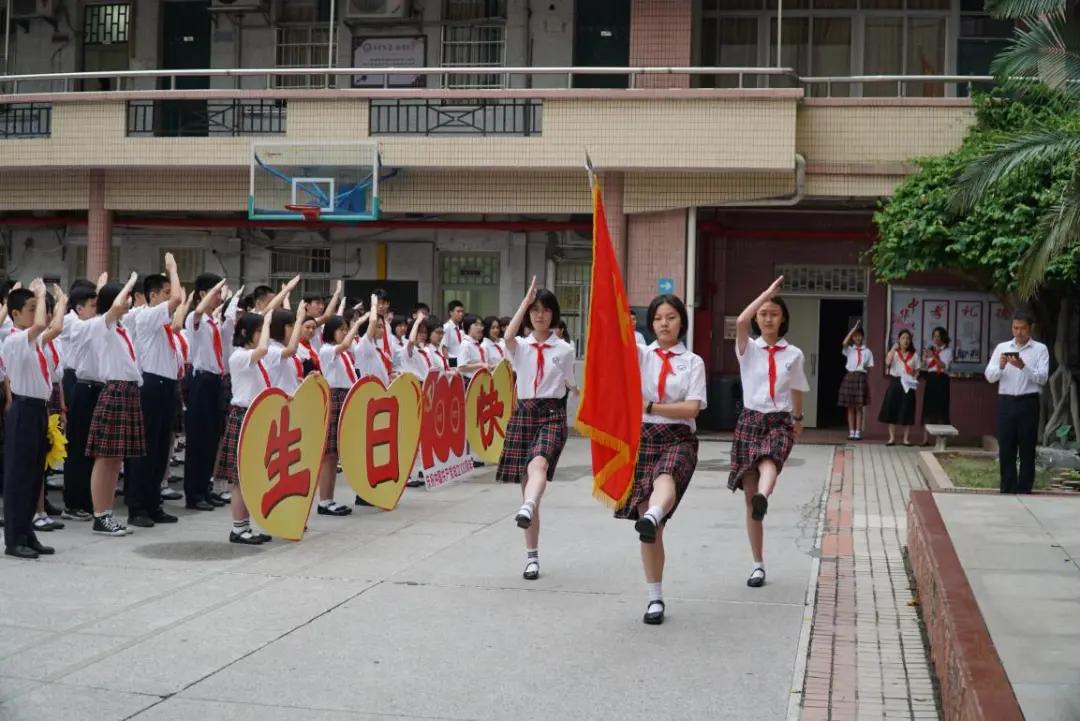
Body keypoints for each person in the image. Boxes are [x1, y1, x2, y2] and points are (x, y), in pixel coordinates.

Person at [616, 294, 705, 625]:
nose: (664, 324)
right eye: (658, 318)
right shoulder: (641, 355)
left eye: (670, 317)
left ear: (682, 321)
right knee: (651, 531)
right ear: (650, 323)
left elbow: (691, 408)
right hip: (644, 437)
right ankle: (655, 598)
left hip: (679, 437)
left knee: (664, 478)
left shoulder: (693, 362)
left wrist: (651, 406)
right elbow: (614, 348)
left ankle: (653, 512)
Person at [729, 277, 808, 588]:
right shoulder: (747, 349)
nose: (767, 318)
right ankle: (757, 564)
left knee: (770, 460)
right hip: (750, 419)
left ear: (783, 318)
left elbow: (798, 388)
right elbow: (739, 320)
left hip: (778, 420)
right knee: (750, 501)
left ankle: (764, 494)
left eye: (774, 313)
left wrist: (798, 418)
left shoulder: (794, 354)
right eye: (763, 313)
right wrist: (764, 294)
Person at [497, 277, 575, 580]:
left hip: (552, 414)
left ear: (553, 314)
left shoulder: (565, 348)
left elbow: (567, 380)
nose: (539, 315)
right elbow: (507, 336)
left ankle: (529, 503)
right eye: (534, 311)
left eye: (544, 310)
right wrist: (524, 301)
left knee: (539, 463)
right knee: (528, 480)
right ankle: (532, 557)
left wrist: (575, 387)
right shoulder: (520, 347)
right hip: (525, 413)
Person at [3, 281, 66, 559]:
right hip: (24, 409)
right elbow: (41, 326)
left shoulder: (33, 341)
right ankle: (14, 539)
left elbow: (55, 328)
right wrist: (40, 295)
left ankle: (28, 532)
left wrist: (61, 300)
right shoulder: (15, 339)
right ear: (15, 314)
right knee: (19, 477)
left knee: (34, 477)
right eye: (30, 309)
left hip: (39, 409)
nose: (37, 313)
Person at [83, 273, 143, 537]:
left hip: (128, 390)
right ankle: (100, 515)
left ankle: (107, 513)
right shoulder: (102, 324)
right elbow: (117, 306)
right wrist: (129, 282)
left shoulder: (122, 327)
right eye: (127, 296)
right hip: (115, 390)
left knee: (116, 459)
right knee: (105, 457)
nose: (129, 301)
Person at [127, 256, 184, 528]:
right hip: (150, 384)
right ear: (152, 295)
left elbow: (177, 305)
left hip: (167, 385)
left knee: (162, 449)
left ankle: (153, 504)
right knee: (145, 448)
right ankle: (137, 506)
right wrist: (172, 269)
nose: (169, 296)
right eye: (164, 291)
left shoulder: (162, 323)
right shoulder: (147, 316)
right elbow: (177, 300)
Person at [217, 311, 278, 544]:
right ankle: (238, 528)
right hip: (243, 416)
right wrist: (268, 323)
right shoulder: (239, 356)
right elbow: (262, 350)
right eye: (259, 331)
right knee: (241, 477)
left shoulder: (252, 359)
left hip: (255, 415)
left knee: (251, 475)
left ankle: (246, 526)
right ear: (245, 333)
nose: (264, 336)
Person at [985, 310, 1050, 494]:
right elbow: (989, 377)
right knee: (1006, 446)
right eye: (1015, 328)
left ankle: (1024, 488)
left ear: (1030, 328)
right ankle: (1007, 486)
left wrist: (1023, 367)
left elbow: (1043, 377)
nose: (1018, 332)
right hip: (1006, 401)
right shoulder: (1002, 347)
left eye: (1022, 328)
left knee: (1027, 446)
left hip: (1028, 402)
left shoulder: (1040, 349)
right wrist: (1001, 365)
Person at [317, 314, 363, 515]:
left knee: (335, 454)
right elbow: (345, 344)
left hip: (345, 396)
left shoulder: (343, 353)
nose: (345, 333)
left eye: (346, 329)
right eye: (341, 329)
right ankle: (325, 500)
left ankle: (329, 498)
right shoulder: (327, 350)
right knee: (330, 453)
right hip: (335, 396)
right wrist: (358, 324)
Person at [878, 329, 920, 446]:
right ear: (899, 340)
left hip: (908, 384)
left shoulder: (914, 355)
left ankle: (906, 439)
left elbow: (917, 370)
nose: (905, 340)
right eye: (903, 338)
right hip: (895, 382)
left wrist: (914, 378)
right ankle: (891, 438)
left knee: (907, 410)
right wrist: (893, 348)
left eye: (908, 338)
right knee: (892, 409)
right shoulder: (895, 353)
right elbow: (887, 363)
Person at [838, 321, 873, 441]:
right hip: (850, 377)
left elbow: (869, 368)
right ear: (852, 337)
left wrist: (865, 381)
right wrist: (853, 329)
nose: (857, 337)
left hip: (860, 378)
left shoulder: (867, 352)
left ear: (862, 336)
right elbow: (844, 342)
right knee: (850, 407)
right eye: (855, 336)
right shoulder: (850, 350)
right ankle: (851, 431)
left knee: (859, 407)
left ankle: (858, 432)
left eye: (859, 335)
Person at [920, 326, 952, 446]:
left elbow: (944, 365)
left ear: (943, 337)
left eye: (938, 336)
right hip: (931, 379)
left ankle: (941, 439)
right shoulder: (930, 350)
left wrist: (933, 355)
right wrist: (923, 358)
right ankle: (925, 439)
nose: (936, 339)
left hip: (942, 380)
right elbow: (923, 366)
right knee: (928, 408)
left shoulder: (947, 351)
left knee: (941, 408)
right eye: (934, 336)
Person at [455, 313, 488, 382]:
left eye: (481, 325)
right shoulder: (466, 344)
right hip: (469, 382)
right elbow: (461, 367)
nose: (480, 328)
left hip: (481, 381)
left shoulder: (477, 345)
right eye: (476, 325)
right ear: (468, 327)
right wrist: (480, 365)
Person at [442, 300, 465, 365]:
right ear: (450, 312)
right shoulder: (446, 328)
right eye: (458, 311)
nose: (461, 314)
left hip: (461, 363)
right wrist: (451, 365)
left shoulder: (460, 329)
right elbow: (444, 349)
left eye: (462, 311)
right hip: (453, 363)